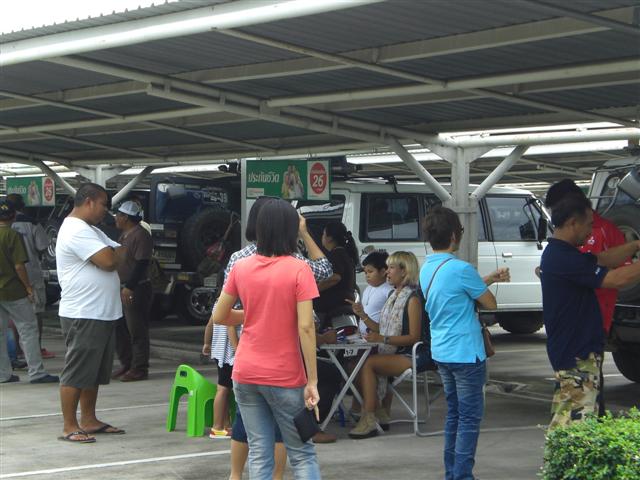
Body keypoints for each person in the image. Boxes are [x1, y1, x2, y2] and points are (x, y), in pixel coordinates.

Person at [202, 197, 333, 477]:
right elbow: (306, 327)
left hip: (245, 373)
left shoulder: (241, 266)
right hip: (285, 375)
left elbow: (220, 315)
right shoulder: (299, 268)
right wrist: (312, 381)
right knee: (302, 454)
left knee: (259, 452)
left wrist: (253, 314)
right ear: (291, 230)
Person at [420, 206, 509, 480]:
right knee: (469, 419)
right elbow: (490, 303)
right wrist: (489, 283)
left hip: (442, 352)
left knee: (454, 416)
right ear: (454, 236)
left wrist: (487, 278)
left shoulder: (426, 268)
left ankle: (453, 473)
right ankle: (462, 476)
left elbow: (454, 291)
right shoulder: (462, 269)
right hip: (466, 353)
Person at [540, 194, 640, 430]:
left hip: (576, 352)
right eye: (589, 225)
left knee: (579, 422)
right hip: (576, 355)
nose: (591, 232)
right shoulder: (564, 258)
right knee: (572, 426)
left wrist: (635, 245)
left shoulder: (564, 254)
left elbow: (602, 258)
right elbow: (616, 279)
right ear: (573, 222)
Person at [56, 183, 127, 443]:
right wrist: (110, 256)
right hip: (84, 312)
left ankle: (89, 419)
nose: (106, 210)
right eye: (103, 204)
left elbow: (121, 251)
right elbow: (109, 261)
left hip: (100, 312)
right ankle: (69, 426)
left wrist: (111, 255)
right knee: (77, 371)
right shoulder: (76, 229)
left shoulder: (91, 230)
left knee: (93, 371)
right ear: (89, 202)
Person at [346, 251, 424, 439]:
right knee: (357, 363)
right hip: (396, 350)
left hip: (412, 353)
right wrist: (363, 315)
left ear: (404, 271)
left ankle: (369, 417)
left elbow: (414, 337)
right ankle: (378, 411)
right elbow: (382, 328)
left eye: (391, 268)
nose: (387, 272)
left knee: (368, 364)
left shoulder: (412, 298)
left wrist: (383, 339)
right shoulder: (394, 295)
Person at [0, 200, 58, 384]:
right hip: (14, 291)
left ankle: (3, 374)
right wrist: (28, 287)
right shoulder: (12, 235)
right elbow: (19, 266)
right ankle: (36, 372)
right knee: (28, 329)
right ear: (13, 216)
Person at [7, 193, 54, 358]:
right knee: (36, 312)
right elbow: (43, 247)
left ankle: (17, 350)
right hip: (32, 273)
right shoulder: (32, 223)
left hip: (9, 276)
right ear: (23, 206)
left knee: (13, 313)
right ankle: (37, 349)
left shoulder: (4, 226)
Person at [112, 200, 154, 382]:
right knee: (120, 327)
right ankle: (127, 363)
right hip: (122, 286)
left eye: (119, 215)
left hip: (136, 288)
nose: (116, 218)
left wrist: (130, 286)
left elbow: (141, 262)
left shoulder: (141, 235)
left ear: (126, 217)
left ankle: (139, 367)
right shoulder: (124, 235)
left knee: (136, 328)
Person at [314, 222, 358, 322]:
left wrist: (315, 289)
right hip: (342, 303)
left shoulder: (336, 254)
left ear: (329, 238)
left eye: (324, 234)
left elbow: (335, 277)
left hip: (333, 306)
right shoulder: (344, 253)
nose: (322, 237)